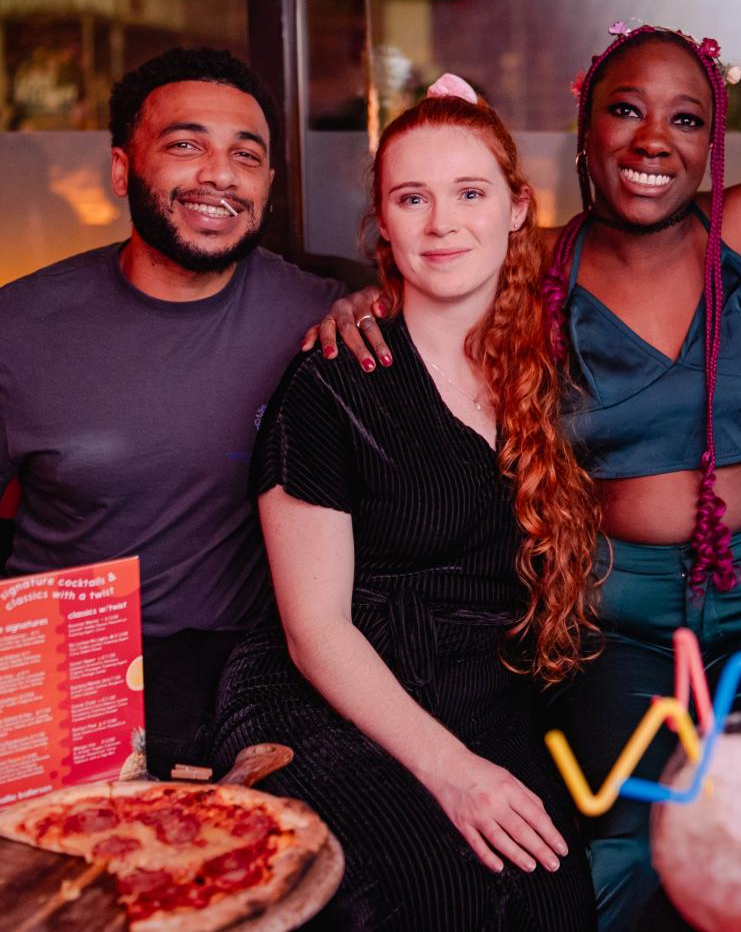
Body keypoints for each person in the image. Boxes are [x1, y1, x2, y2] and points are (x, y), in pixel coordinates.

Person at [312, 23, 741, 932]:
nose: (652, 139)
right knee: (628, 850)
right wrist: (366, 297)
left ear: (713, 143)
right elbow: (437, 279)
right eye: (624, 111)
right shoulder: (536, 269)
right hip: (613, 615)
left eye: (685, 118)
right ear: (584, 131)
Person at [0, 47, 343, 780]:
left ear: (267, 185)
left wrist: (378, 302)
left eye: (246, 156)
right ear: (122, 170)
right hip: (52, 661)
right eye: (186, 145)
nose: (219, 174)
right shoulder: (9, 330)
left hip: (239, 672)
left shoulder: (323, 318)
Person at [210, 78, 597, 931]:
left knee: (555, 903)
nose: (442, 223)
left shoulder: (547, 360)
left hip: (476, 694)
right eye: (411, 198)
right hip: (327, 702)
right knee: (440, 896)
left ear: (517, 207)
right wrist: (451, 770)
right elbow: (316, 633)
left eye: (469, 193)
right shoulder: (333, 381)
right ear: (383, 223)